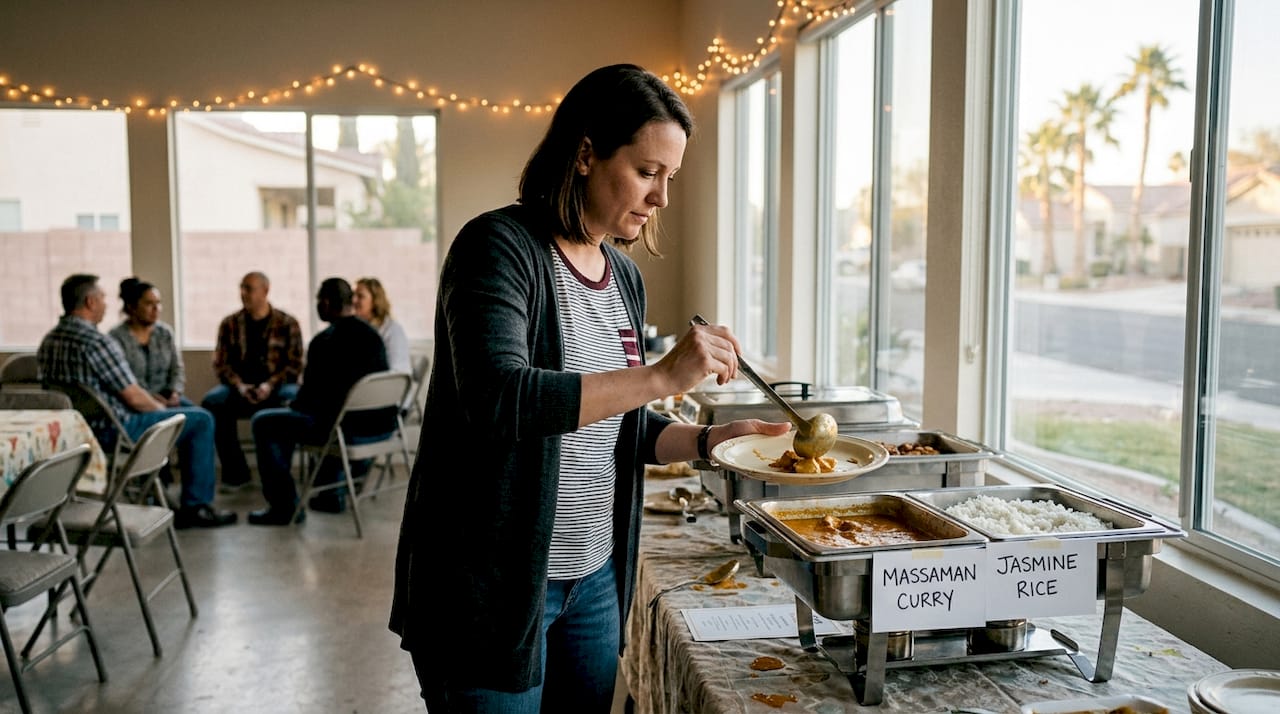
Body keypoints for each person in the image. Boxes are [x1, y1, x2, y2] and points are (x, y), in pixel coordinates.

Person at [388, 64, 789, 713]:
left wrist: (713, 441)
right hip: (492, 586)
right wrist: (662, 376)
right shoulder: (498, 247)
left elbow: (620, 428)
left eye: (670, 178)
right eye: (647, 171)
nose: (661, 197)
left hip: (593, 582)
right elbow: (500, 399)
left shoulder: (624, 277)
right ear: (584, 153)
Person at [37, 274, 237, 529]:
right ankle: (195, 507)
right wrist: (164, 412)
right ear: (90, 301)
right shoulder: (96, 342)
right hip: (114, 430)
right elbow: (133, 396)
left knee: (187, 412)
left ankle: (168, 492)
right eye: (103, 299)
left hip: (76, 434)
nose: (106, 305)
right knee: (201, 420)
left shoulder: (48, 341)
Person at [247, 277, 391, 525]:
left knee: (265, 422)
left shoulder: (324, 342)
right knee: (315, 413)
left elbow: (308, 402)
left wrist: (291, 407)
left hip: (341, 430)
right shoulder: (373, 337)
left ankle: (285, 507)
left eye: (318, 300)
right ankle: (330, 492)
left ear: (326, 302)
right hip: (378, 426)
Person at [200, 271, 304, 490]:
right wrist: (239, 385)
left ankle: (280, 474)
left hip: (276, 387)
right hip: (240, 388)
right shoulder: (229, 324)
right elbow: (221, 363)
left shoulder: (287, 323)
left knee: (292, 399)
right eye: (242, 287)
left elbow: (294, 365)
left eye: (249, 288)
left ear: (265, 291)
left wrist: (269, 385)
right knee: (213, 402)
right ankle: (236, 473)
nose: (243, 293)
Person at [108, 277, 188, 407]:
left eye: (158, 303)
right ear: (132, 307)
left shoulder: (165, 333)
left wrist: (175, 393)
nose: (156, 308)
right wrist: (150, 398)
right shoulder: (116, 338)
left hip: (168, 397)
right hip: (137, 402)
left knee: (203, 417)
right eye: (149, 304)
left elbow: (177, 369)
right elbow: (122, 381)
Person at [353, 276, 411, 374]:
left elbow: (398, 372)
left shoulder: (393, 330)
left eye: (360, 296)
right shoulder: (357, 328)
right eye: (353, 295)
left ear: (375, 301)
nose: (354, 300)